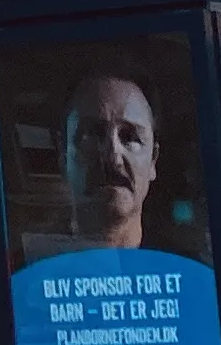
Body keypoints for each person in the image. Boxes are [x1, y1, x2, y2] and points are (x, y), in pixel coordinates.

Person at [58, 72, 159, 251]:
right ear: (63, 156)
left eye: (129, 137)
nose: (113, 157)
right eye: (92, 134)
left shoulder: (191, 273)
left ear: (153, 160)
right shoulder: (23, 273)